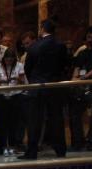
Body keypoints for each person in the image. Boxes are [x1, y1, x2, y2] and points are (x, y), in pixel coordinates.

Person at [23, 20, 68, 159]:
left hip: (37, 86)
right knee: (56, 118)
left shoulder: (34, 46)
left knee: (34, 121)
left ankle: (32, 151)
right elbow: (63, 66)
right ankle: (60, 150)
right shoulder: (61, 45)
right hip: (54, 86)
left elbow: (28, 68)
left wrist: (34, 80)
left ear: (42, 29)